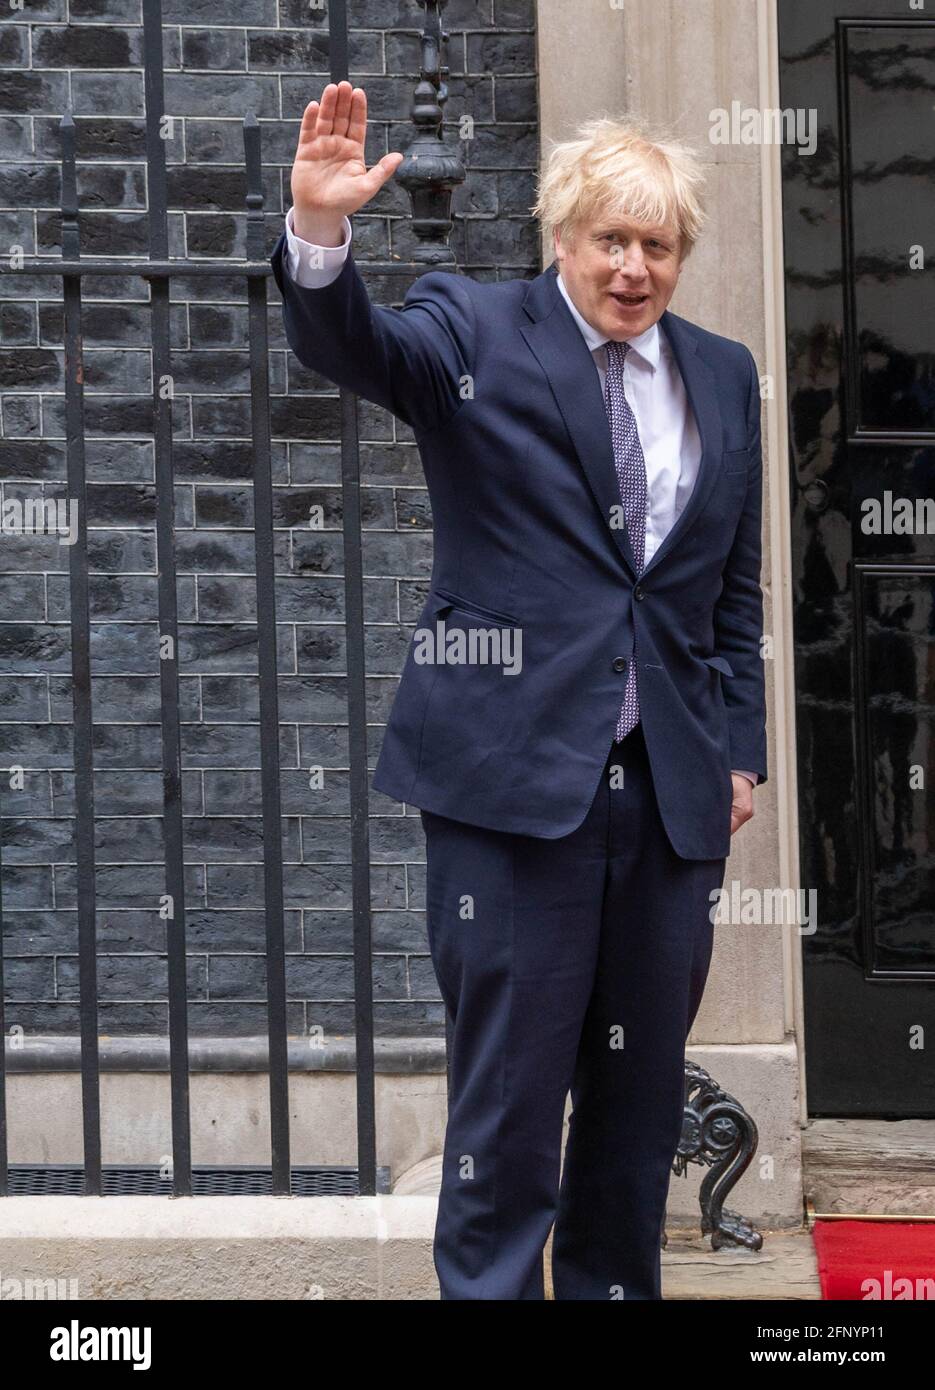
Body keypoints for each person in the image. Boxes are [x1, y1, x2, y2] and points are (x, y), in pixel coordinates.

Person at [270, 81, 767, 1300]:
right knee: (505, 1101)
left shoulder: (721, 371)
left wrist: (738, 749)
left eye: (657, 246)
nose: (634, 268)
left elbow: (731, 590)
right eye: (611, 239)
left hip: (665, 800)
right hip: (508, 790)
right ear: (561, 233)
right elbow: (357, 349)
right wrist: (321, 236)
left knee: (637, 1104)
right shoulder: (474, 329)